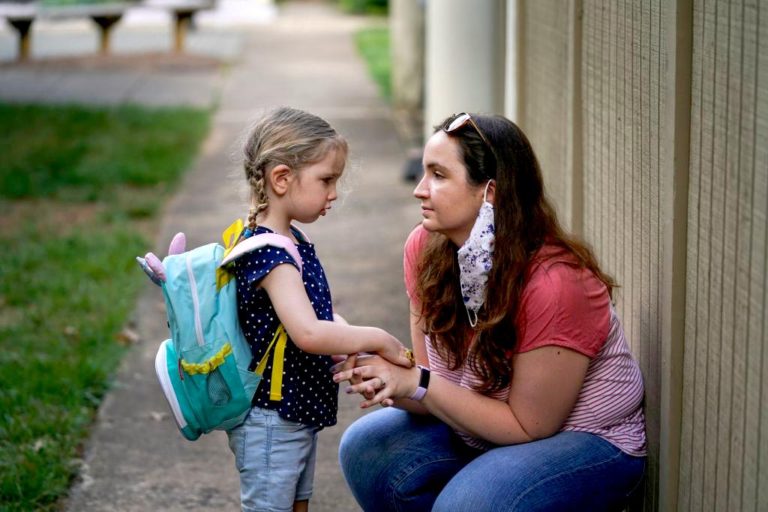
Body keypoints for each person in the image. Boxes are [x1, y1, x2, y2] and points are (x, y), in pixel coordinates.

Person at [334, 112, 647, 511]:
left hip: (586, 441)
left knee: (467, 504)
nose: (419, 189)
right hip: (484, 429)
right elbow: (431, 386)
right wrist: (383, 371)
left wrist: (418, 382)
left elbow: (528, 426)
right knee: (368, 450)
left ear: (490, 192)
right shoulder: (425, 249)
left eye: (439, 175)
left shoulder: (556, 283)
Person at [225, 107, 414, 512]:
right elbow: (308, 333)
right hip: (272, 419)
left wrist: (346, 341)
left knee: (298, 504)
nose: (333, 193)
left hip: (292, 413)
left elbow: (318, 319)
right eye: (327, 180)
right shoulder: (272, 255)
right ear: (281, 178)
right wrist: (377, 338)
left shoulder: (289, 239)